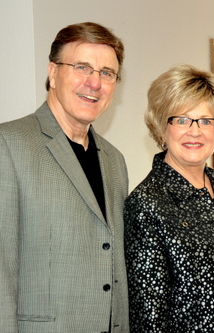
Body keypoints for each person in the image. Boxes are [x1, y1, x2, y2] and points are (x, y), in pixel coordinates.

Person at [0, 22, 128, 332]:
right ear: (53, 72)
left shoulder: (115, 160)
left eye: (107, 73)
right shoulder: (9, 144)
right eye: (82, 67)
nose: (94, 83)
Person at [124, 64, 214, 332]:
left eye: (207, 121)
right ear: (162, 128)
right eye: (182, 119)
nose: (195, 131)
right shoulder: (147, 203)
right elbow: (149, 317)